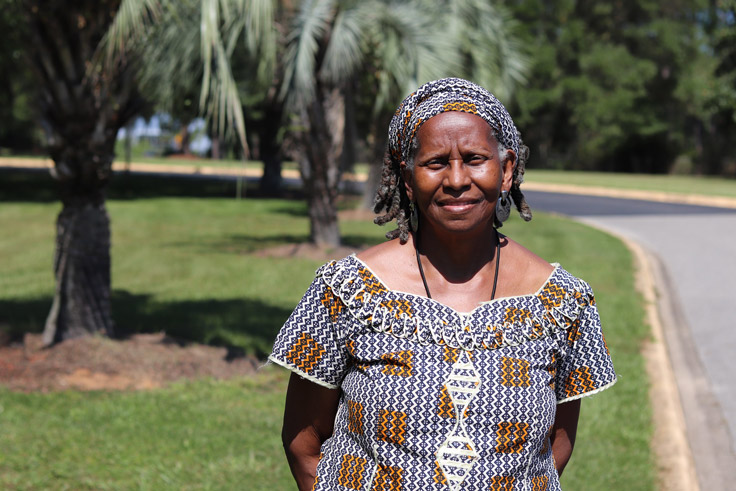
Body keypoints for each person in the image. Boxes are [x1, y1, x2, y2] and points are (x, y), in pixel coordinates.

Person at [269, 77, 616, 490]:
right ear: (408, 177)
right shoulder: (347, 290)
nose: (456, 179)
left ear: (506, 171)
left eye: (474, 159)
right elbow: (304, 446)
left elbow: (554, 447)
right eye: (435, 162)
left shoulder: (562, 303)